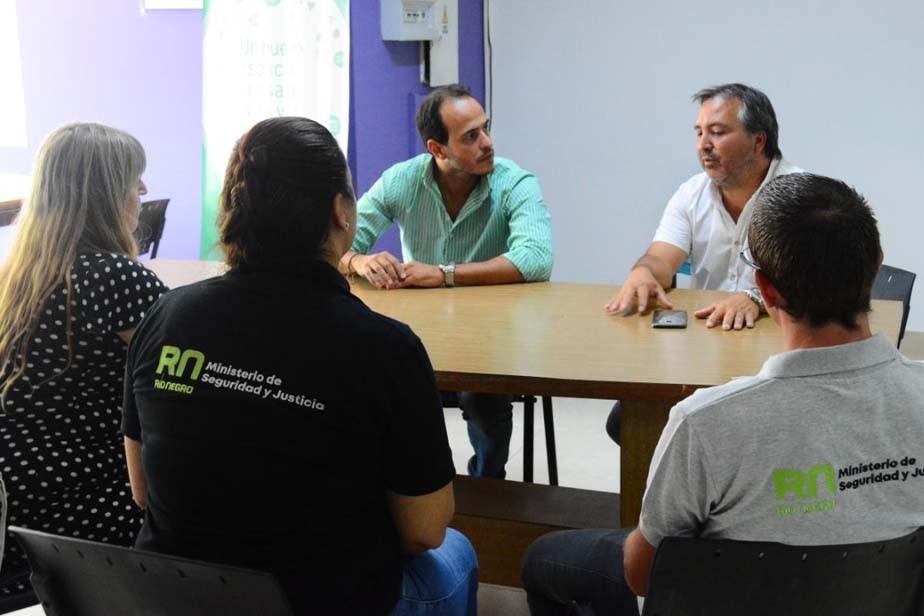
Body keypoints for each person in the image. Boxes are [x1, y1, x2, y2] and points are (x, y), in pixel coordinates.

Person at [522, 173, 924, 614]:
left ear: (764, 289)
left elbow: (641, 575)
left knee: (543, 558)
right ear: (876, 264)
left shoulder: (704, 422)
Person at [123, 117, 478, 616]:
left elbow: (143, 491)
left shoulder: (166, 317)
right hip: (320, 601)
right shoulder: (386, 347)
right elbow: (425, 530)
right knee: (457, 552)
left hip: (180, 594)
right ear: (340, 211)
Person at [339, 84, 553, 479]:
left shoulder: (515, 182)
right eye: (471, 136)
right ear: (437, 149)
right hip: (419, 334)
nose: (487, 143)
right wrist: (359, 260)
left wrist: (442, 273)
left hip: (493, 336)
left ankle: (487, 483)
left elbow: (536, 258)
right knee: (374, 382)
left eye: (486, 128)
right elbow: (333, 243)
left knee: (483, 401)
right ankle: (411, 486)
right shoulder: (402, 180)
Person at [0, 123, 166, 599]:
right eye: (133, 178)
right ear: (105, 194)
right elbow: (181, 384)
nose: (143, 190)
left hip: (16, 516)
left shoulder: (18, 278)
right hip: (84, 521)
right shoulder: (117, 279)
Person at [604, 83, 802, 444]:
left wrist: (755, 298)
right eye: (699, 133)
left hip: (775, 357)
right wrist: (644, 273)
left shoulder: (799, 194)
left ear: (758, 141)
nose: (703, 145)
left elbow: (817, 280)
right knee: (629, 422)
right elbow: (660, 258)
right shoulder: (691, 193)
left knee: (737, 434)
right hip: (707, 349)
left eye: (718, 132)